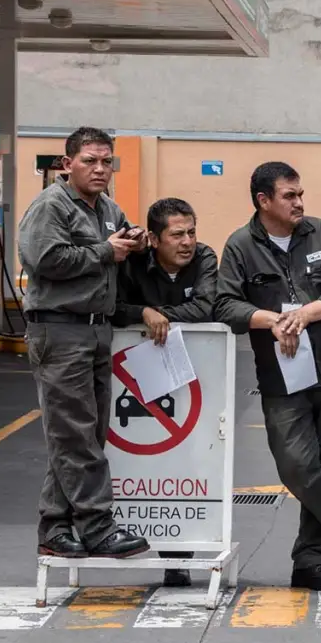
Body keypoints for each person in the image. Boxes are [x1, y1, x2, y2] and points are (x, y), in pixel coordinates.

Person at [212, 161, 321, 592]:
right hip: (281, 375)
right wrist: (271, 319)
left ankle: (310, 562)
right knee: (296, 464)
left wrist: (305, 314)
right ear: (264, 201)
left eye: (300, 194)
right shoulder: (240, 245)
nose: (299, 203)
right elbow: (224, 305)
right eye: (289, 196)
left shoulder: (319, 232)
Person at [18, 126, 151, 559]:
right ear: (67, 163)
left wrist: (136, 244)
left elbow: (117, 246)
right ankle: (97, 526)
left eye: (106, 161)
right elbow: (44, 259)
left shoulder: (108, 208)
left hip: (95, 329)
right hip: (60, 329)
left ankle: (55, 528)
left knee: (83, 434)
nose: (99, 169)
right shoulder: (51, 206)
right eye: (90, 161)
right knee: (75, 433)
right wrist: (103, 252)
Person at [112, 197, 218, 586]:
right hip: (139, 378)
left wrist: (157, 314)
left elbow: (208, 308)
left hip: (197, 376)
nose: (188, 241)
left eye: (191, 232)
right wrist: (141, 313)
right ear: (154, 240)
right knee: (143, 459)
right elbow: (113, 306)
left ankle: (179, 557)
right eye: (177, 235)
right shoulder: (135, 264)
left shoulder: (206, 258)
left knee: (190, 458)